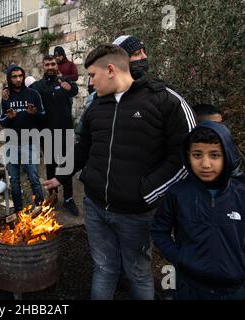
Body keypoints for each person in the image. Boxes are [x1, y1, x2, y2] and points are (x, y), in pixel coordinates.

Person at [43, 44, 196, 299]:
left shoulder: (164, 100)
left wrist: (146, 193)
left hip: (136, 214)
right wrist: (62, 175)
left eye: (92, 75)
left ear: (111, 70)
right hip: (95, 208)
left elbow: (185, 156)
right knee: (104, 268)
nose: (89, 82)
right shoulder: (96, 106)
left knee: (138, 272)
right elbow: (84, 147)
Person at [151, 121, 245, 300]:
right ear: (188, 155)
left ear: (228, 155)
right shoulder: (178, 193)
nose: (206, 164)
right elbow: (159, 229)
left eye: (215, 155)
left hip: (234, 289)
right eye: (197, 155)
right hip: (189, 286)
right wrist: (180, 258)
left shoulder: (241, 194)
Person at [30, 55, 79, 216]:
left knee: (67, 166)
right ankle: (52, 197)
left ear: (56, 66)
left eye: (52, 64)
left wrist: (68, 88)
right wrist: (6, 90)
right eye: (47, 64)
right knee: (51, 166)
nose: (50, 66)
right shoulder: (37, 86)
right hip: (47, 133)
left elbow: (75, 90)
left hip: (65, 132)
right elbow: (24, 93)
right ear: (42, 66)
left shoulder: (64, 81)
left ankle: (69, 198)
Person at [0, 64, 45, 212]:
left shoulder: (33, 94)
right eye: (14, 77)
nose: (18, 79)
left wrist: (34, 114)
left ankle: (40, 209)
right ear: (9, 79)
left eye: (20, 76)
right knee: (14, 180)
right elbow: (2, 121)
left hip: (30, 142)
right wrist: (9, 118)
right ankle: (18, 211)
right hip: (11, 143)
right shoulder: (6, 96)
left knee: (33, 177)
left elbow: (43, 117)